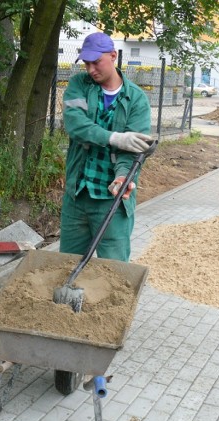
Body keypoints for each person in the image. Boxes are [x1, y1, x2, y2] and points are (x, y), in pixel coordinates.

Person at [61, 32, 153, 262]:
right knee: (67, 266)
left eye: (96, 62)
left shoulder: (137, 100)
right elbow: (76, 125)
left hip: (113, 200)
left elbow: (132, 150)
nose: (91, 69)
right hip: (78, 196)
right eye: (86, 63)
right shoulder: (79, 85)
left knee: (114, 271)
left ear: (113, 56)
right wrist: (115, 138)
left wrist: (123, 177)